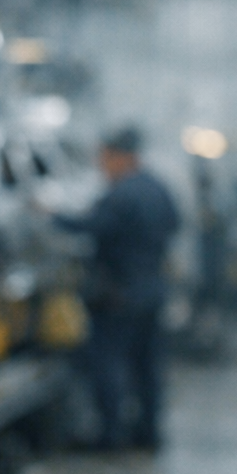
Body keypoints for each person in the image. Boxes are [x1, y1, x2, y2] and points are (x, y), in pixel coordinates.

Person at [54, 126, 180, 450]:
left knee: (108, 364)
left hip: (119, 296)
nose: (101, 166)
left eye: (104, 158)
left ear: (121, 157)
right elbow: (175, 224)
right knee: (148, 367)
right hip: (152, 290)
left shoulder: (121, 194)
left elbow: (92, 226)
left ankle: (111, 436)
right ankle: (148, 434)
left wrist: (52, 217)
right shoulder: (158, 188)